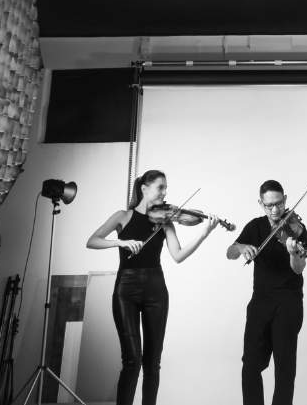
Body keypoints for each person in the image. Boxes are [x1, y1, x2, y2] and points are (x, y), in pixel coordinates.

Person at [86, 170, 220, 405]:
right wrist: (120, 241)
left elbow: (178, 256)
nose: (165, 193)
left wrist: (204, 234)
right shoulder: (123, 216)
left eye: (166, 188)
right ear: (144, 188)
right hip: (125, 290)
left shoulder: (165, 220)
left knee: (152, 363)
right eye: (161, 187)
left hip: (156, 290)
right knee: (132, 361)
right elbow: (92, 241)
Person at [226, 180, 307, 405]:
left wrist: (293, 251)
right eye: (269, 205)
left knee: (285, 368)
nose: (275, 210)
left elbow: (299, 268)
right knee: (250, 365)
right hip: (260, 302)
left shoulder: (297, 229)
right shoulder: (255, 227)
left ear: (285, 199)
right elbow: (230, 252)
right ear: (261, 204)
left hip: (289, 303)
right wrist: (242, 247)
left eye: (279, 203)